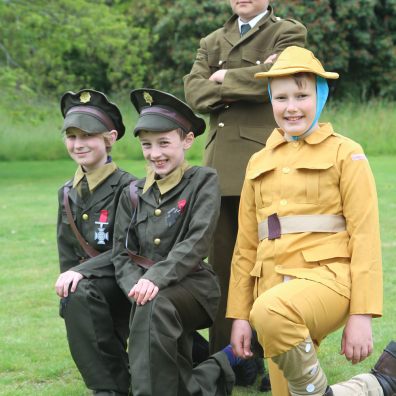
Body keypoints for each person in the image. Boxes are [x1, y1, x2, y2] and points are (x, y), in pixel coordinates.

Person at [227, 45, 395, 396]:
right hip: (269, 289)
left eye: (301, 95)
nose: (291, 107)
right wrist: (240, 315)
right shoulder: (257, 161)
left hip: (329, 281)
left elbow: (364, 236)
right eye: (281, 97)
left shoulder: (345, 152)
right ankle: (367, 388)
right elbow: (245, 246)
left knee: (272, 310)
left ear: (320, 96)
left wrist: (362, 315)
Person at [183, 1, 307, 386]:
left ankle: (276, 360)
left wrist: (222, 77)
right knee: (223, 266)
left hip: (266, 160)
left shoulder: (288, 32)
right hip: (218, 169)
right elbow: (194, 93)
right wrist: (247, 76)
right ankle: (230, 361)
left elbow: (277, 80)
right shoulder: (211, 40)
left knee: (273, 263)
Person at [112, 88, 248, 396]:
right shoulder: (132, 192)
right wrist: (137, 286)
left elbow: (196, 242)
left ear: (186, 141)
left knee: (153, 302)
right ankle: (220, 366)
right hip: (147, 291)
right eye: (147, 145)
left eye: (164, 143)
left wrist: (154, 279)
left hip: (195, 286)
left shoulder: (203, 180)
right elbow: (121, 254)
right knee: (152, 309)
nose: (155, 153)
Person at [55, 89, 136, 395]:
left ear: (109, 138)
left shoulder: (128, 188)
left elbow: (126, 250)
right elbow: (67, 251)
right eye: (71, 136)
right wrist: (68, 285)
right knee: (76, 295)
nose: (78, 144)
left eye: (87, 135)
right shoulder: (66, 192)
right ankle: (110, 387)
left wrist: (80, 273)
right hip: (89, 289)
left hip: (125, 283)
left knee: (187, 356)